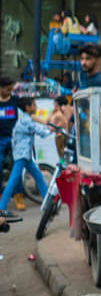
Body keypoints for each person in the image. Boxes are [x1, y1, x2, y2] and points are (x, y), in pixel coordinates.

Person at [0, 98, 53, 218]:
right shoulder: (25, 120)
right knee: (13, 181)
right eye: (34, 105)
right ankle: (1, 207)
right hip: (22, 155)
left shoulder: (26, 118)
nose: (36, 107)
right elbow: (40, 131)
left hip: (25, 155)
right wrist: (52, 130)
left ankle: (47, 203)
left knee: (38, 176)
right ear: (28, 107)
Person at [0, 76, 25, 211]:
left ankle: (18, 195)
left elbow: (29, 109)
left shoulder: (15, 101)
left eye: (11, 89)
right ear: (1, 88)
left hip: (14, 138)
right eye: (8, 89)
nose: (10, 92)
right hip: (0, 139)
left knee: (17, 167)